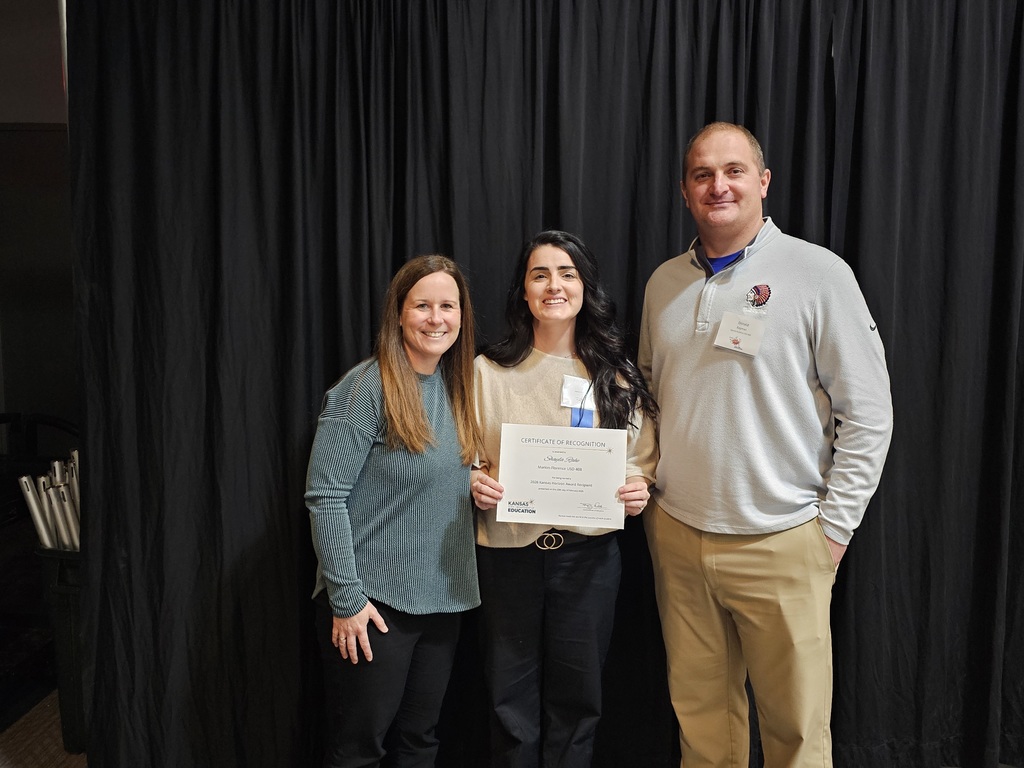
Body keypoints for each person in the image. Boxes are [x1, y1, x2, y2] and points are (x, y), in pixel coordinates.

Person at [638, 121, 894, 767]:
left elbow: (868, 414)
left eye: (733, 171)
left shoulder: (818, 274)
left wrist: (831, 531)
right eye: (702, 174)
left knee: (797, 735)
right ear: (685, 190)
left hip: (783, 541)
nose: (717, 185)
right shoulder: (663, 284)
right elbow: (643, 399)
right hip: (678, 537)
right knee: (701, 728)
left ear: (763, 181)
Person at [471, 229, 659, 767]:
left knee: (580, 703)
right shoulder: (486, 372)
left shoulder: (617, 375)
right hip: (507, 558)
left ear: (586, 288)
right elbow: (461, 453)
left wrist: (636, 485)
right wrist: (472, 480)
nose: (554, 285)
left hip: (588, 559)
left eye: (567, 273)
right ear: (523, 292)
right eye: (540, 274)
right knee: (509, 704)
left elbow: (639, 457)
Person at [305, 254, 481, 767]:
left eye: (447, 305)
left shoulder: (459, 387)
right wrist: (347, 599)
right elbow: (326, 495)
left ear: (462, 316)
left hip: (442, 603)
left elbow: (438, 477)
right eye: (422, 305)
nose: (436, 317)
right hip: (374, 606)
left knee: (420, 740)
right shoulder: (366, 387)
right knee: (360, 749)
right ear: (399, 314)